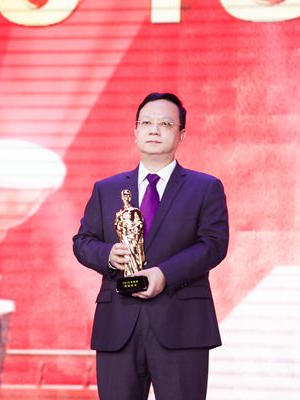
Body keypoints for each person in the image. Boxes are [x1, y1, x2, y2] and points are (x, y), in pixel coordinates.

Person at [73, 92, 229, 400]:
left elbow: (213, 244)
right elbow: (83, 242)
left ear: (182, 134)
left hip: (182, 325)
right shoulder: (107, 189)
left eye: (165, 124)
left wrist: (165, 274)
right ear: (135, 131)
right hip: (118, 325)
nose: (154, 130)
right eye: (146, 123)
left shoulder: (205, 187)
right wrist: (108, 255)